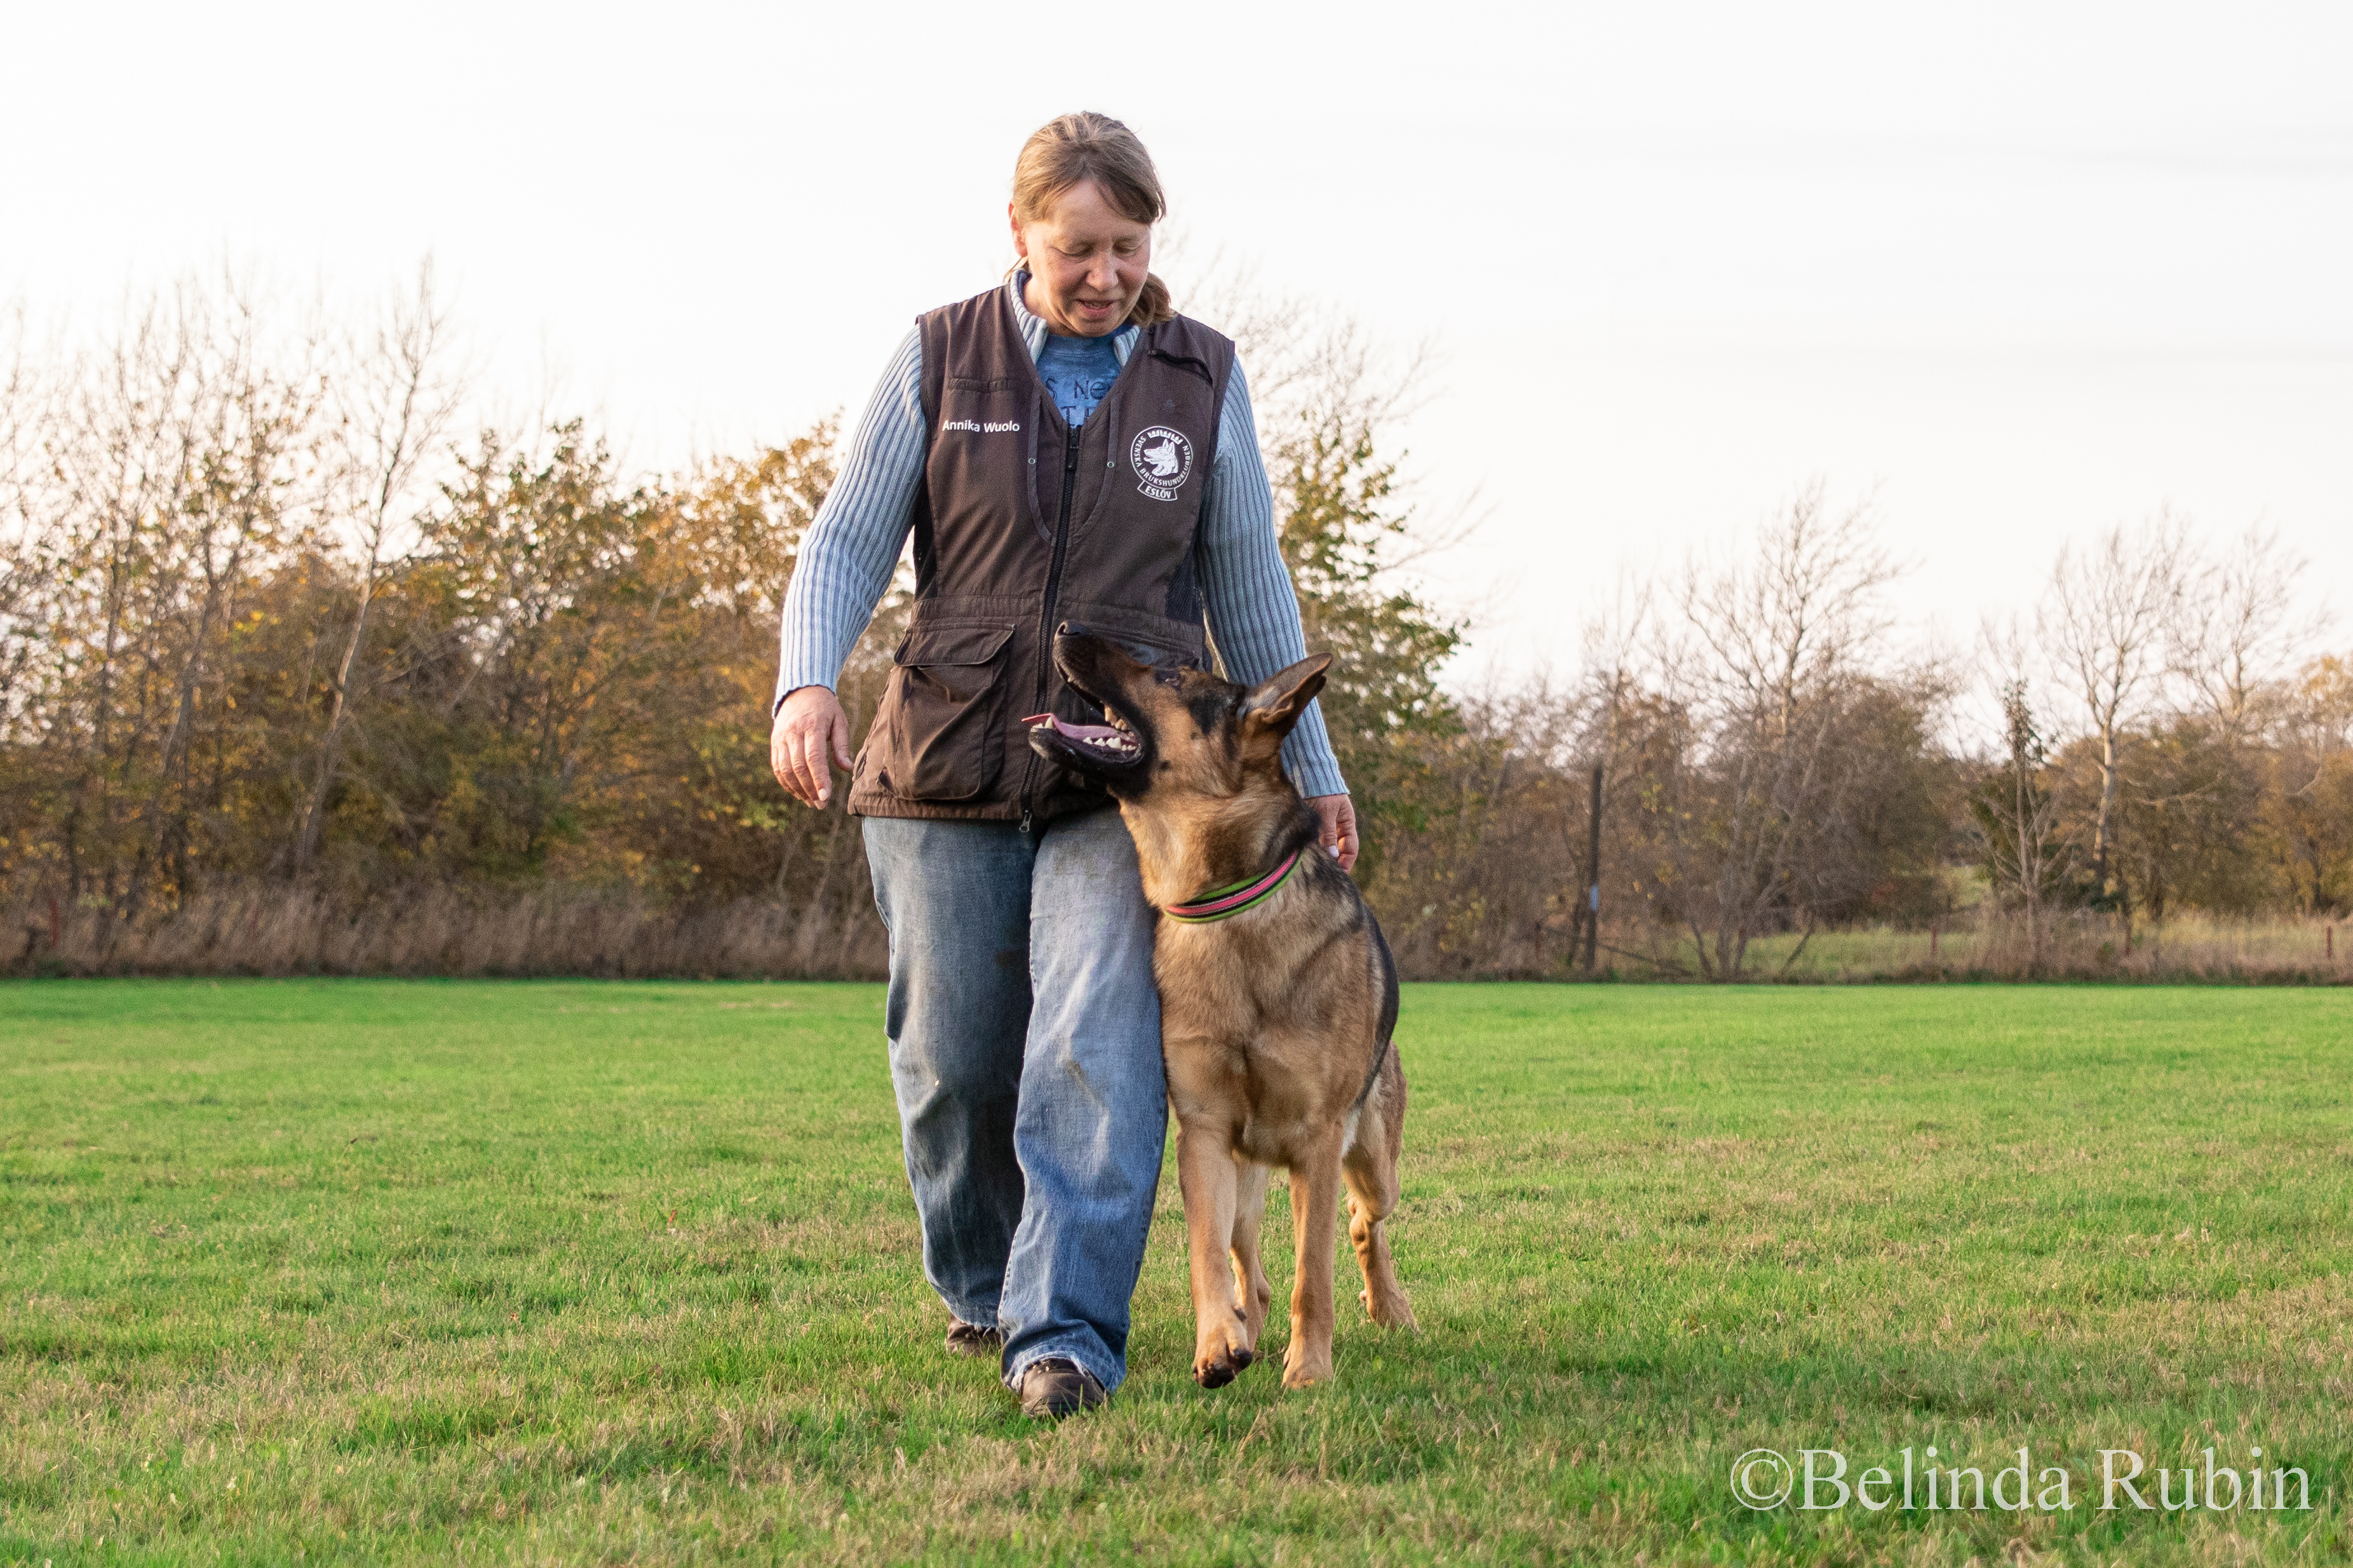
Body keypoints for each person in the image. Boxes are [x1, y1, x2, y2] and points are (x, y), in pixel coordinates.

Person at [767, 111, 1355, 1419]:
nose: (1105, 273)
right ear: (1020, 233)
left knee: (1095, 1041)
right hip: (945, 757)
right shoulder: (938, 357)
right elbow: (847, 538)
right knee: (956, 1061)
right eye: (1077, 246)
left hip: (1132, 784)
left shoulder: (1201, 375)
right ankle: (985, 1289)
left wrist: (1313, 767)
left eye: (1128, 246)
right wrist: (805, 680)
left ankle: (1067, 1335)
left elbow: (1247, 581)